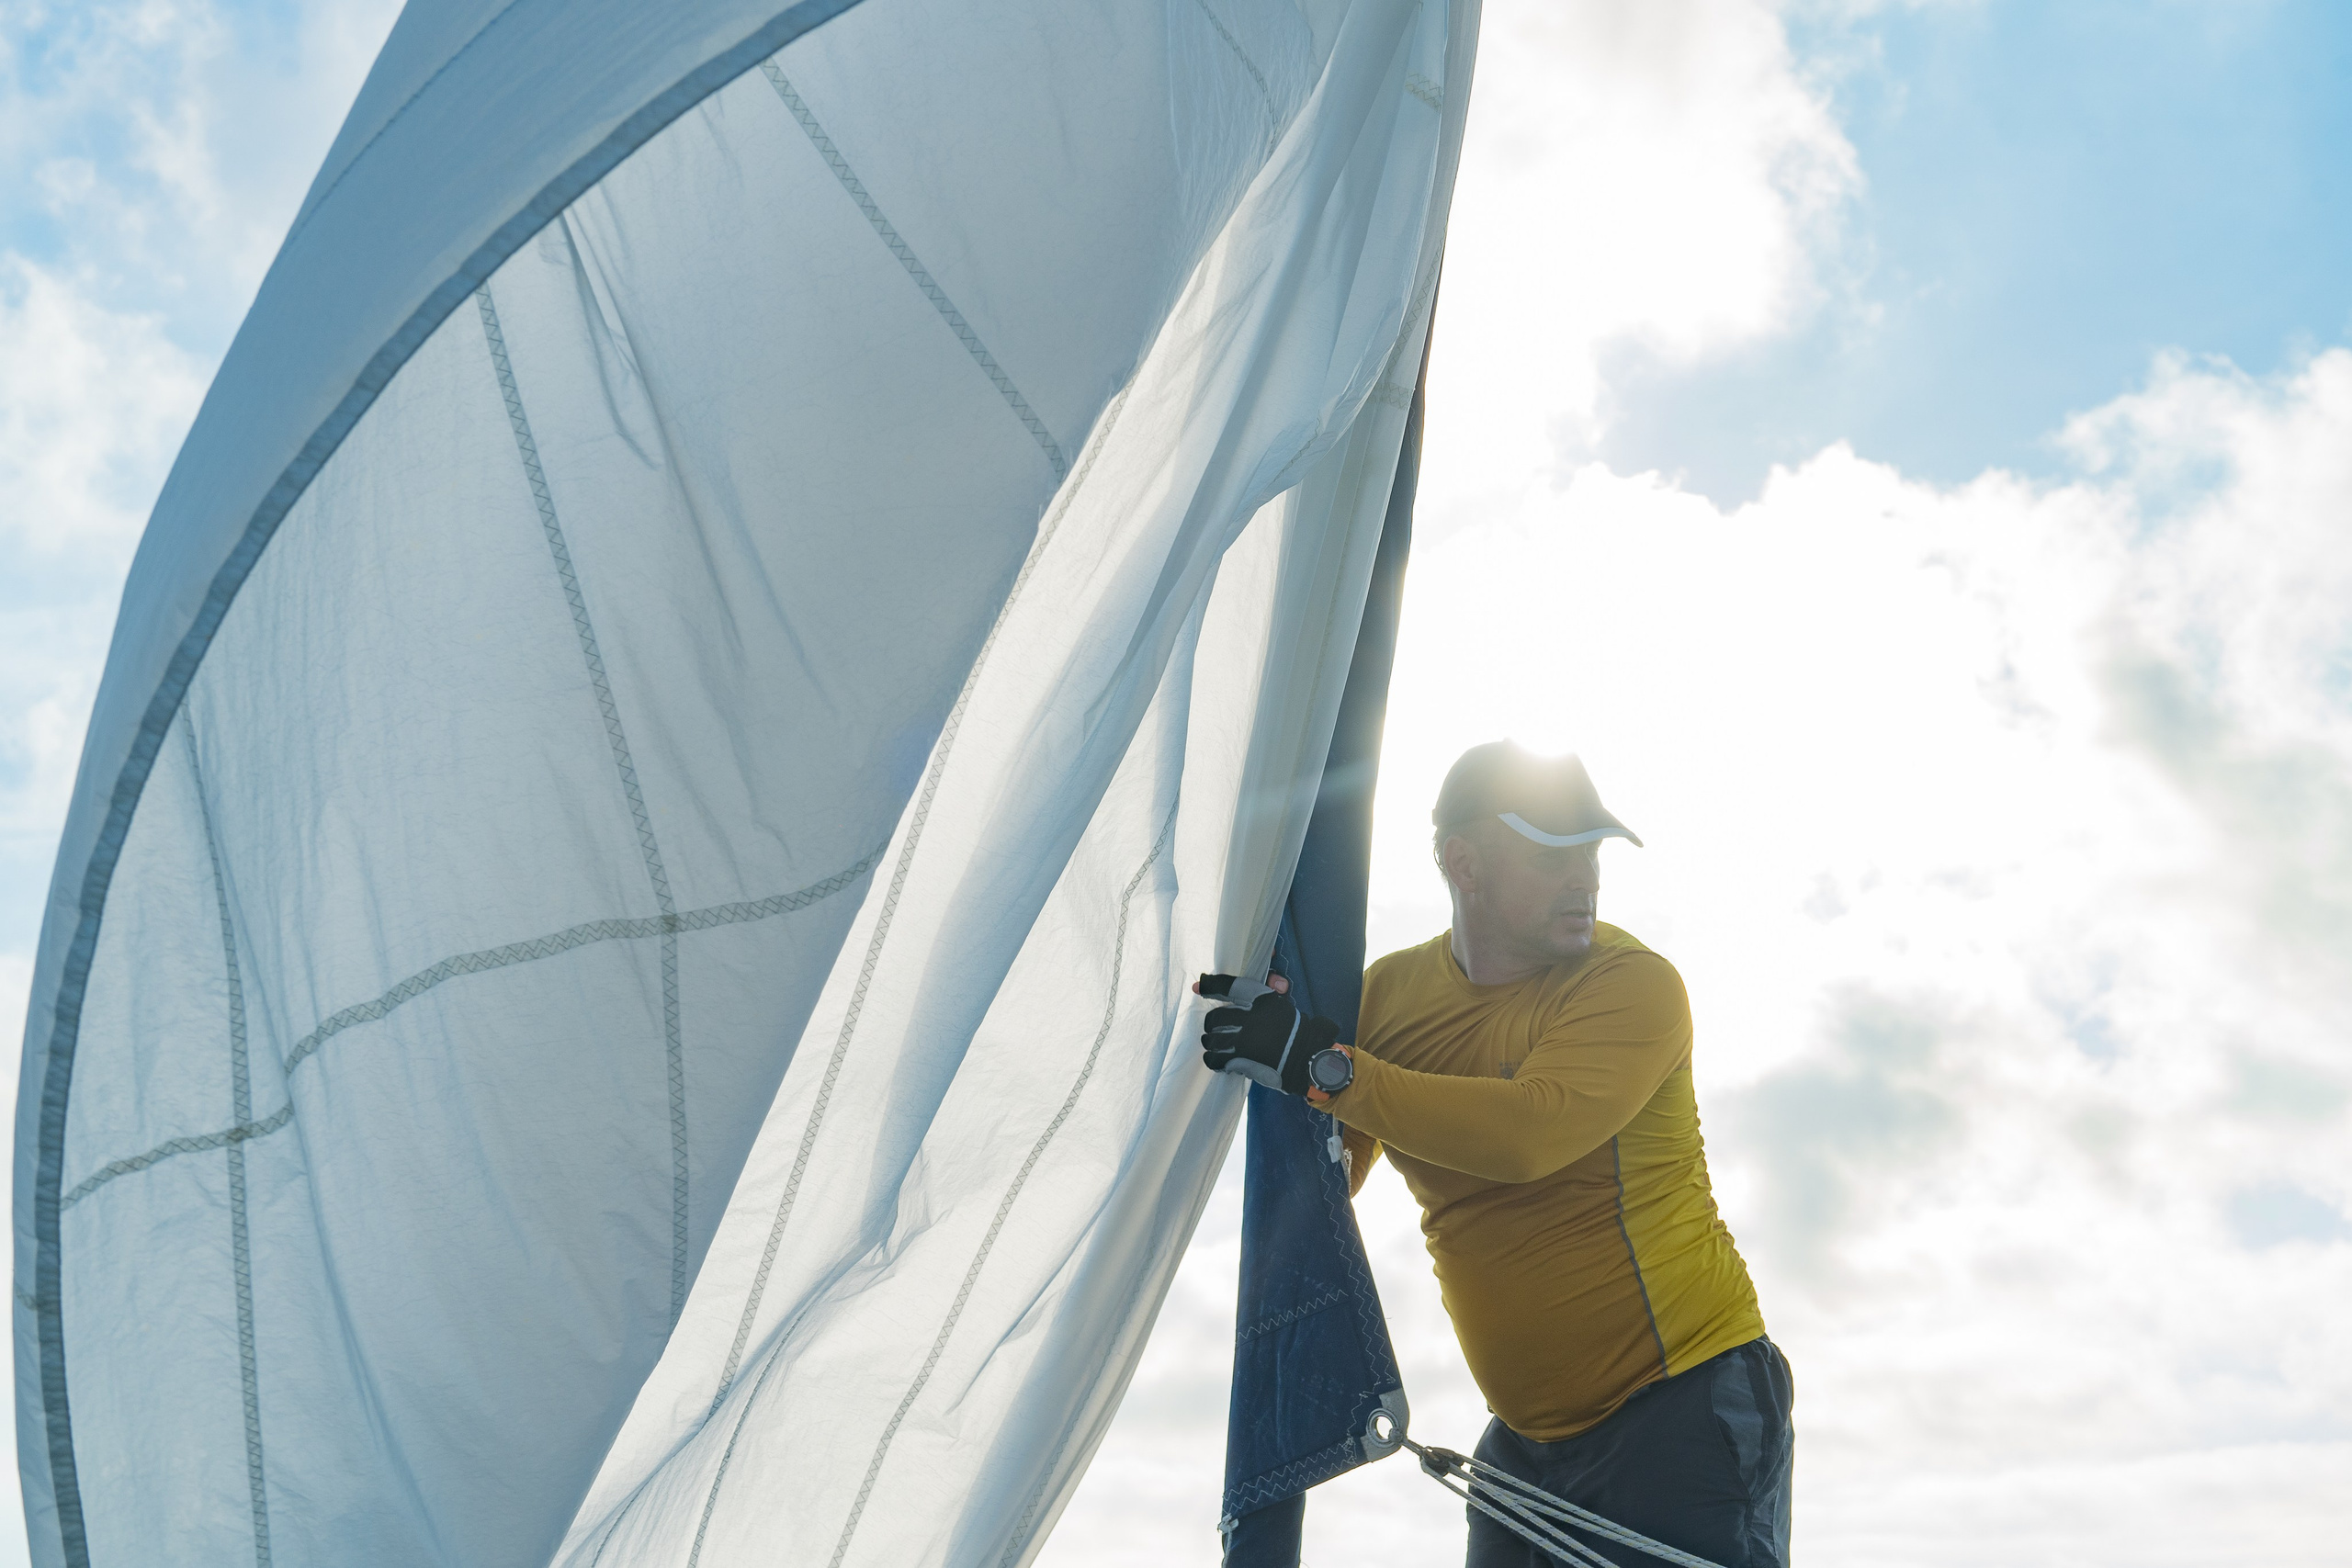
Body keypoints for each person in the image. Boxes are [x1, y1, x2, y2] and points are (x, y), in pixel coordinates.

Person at [1200, 741, 1792, 1568]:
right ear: (1463, 861)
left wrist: (1322, 1066)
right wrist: (1279, 1056)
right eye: (1555, 853)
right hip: (1525, 1441)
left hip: (1683, 1406)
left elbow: (1529, 1135)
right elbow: (1330, 1176)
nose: (1584, 876)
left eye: (1591, 851)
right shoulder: (1391, 1000)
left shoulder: (1634, 985)